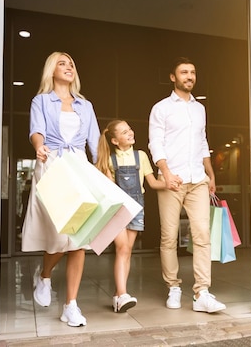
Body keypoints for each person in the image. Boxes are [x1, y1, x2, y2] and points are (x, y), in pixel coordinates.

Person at [21, 51, 100, 327]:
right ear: (51, 70)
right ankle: (44, 274)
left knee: (79, 237)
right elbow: (36, 131)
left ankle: (71, 305)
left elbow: (95, 140)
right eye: (62, 64)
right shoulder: (41, 101)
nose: (68, 68)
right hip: (53, 161)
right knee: (59, 231)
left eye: (71, 65)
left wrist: (102, 171)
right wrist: (38, 146)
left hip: (79, 164)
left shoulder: (85, 105)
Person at [148, 57, 226, 313]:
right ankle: (173, 286)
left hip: (198, 180)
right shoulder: (161, 108)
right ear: (173, 77)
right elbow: (155, 143)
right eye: (184, 72)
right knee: (169, 237)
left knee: (202, 234)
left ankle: (202, 292)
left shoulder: (199, 108)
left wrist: (210, 173)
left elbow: (203, 142)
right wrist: (166, 174)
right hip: (172, 181)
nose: (189, 76)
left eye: (193, 72)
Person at [95, 120, 165, 313]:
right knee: (122, 248)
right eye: (125, 132)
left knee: (127, 251)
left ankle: (119, 296)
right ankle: (122, 293)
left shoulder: (141, 156)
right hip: (117, 208)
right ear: (115, 141)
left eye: (130, 129)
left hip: (137, 207)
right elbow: (106, 189)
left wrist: (170, 183)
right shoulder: (109, 159)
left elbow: (152, 183)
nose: (130, 133)